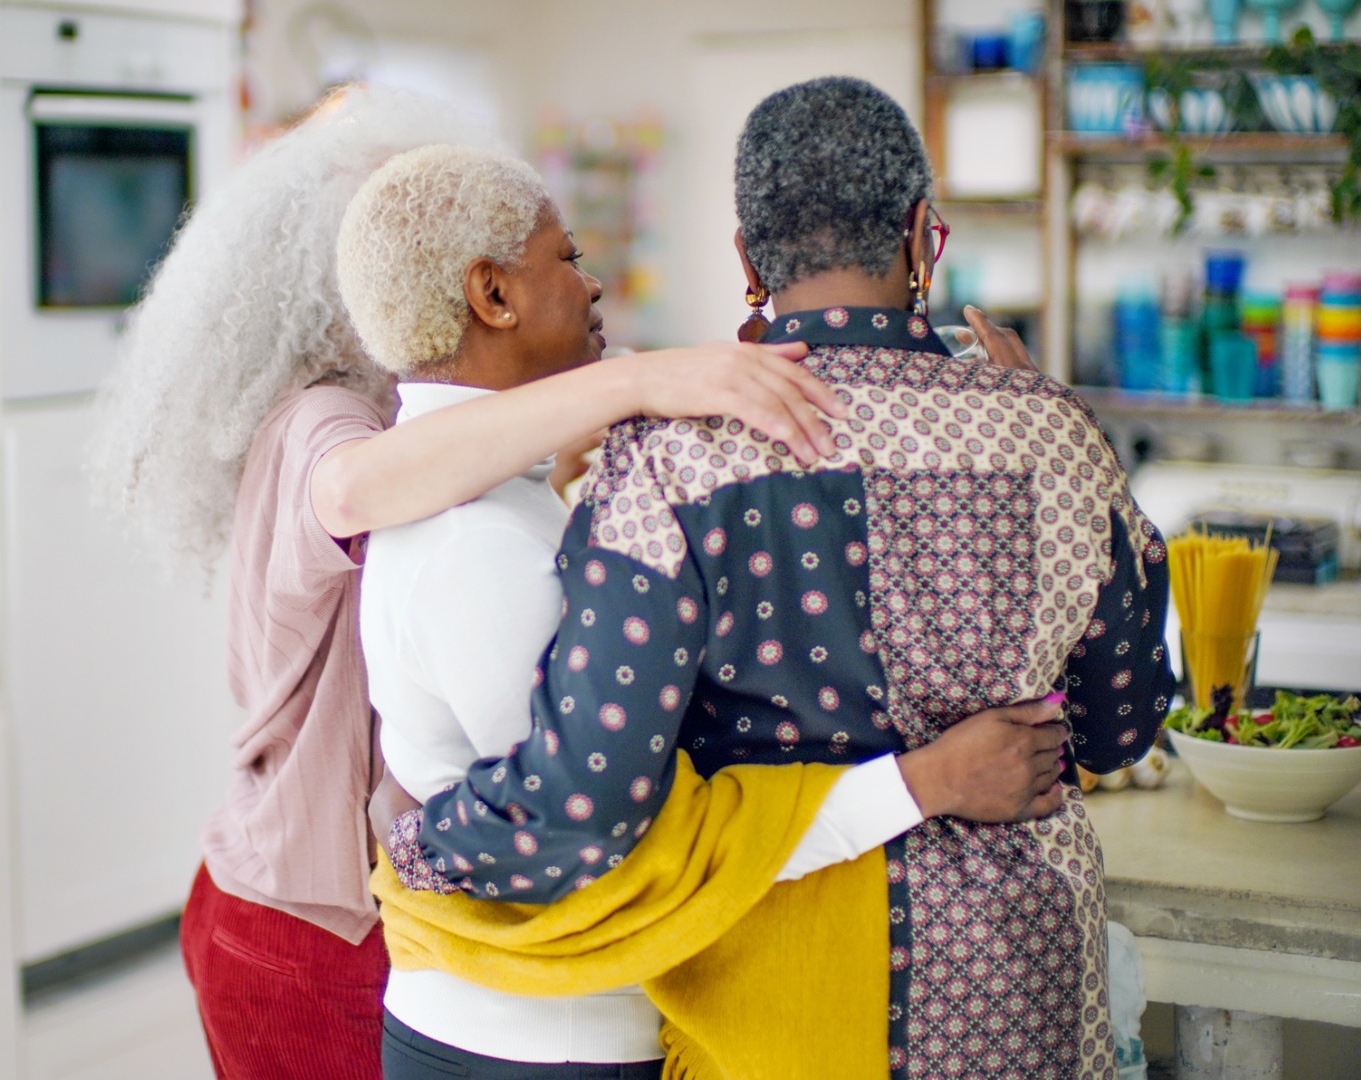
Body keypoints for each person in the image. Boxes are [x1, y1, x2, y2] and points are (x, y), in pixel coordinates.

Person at [381, 77, 1176, 1079]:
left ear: (748, 259)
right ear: (925, 237)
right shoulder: (1052, 433)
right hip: (1019, 997)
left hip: (779, 1007)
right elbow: (1120, 728)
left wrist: (423, 846)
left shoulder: (675, 460)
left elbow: (590, 797)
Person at [86, 85, 846, 1080]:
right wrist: (636, 381)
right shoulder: (326, 424)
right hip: (312, 932)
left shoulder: (439, 442)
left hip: (332, 914)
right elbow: (361, 488)